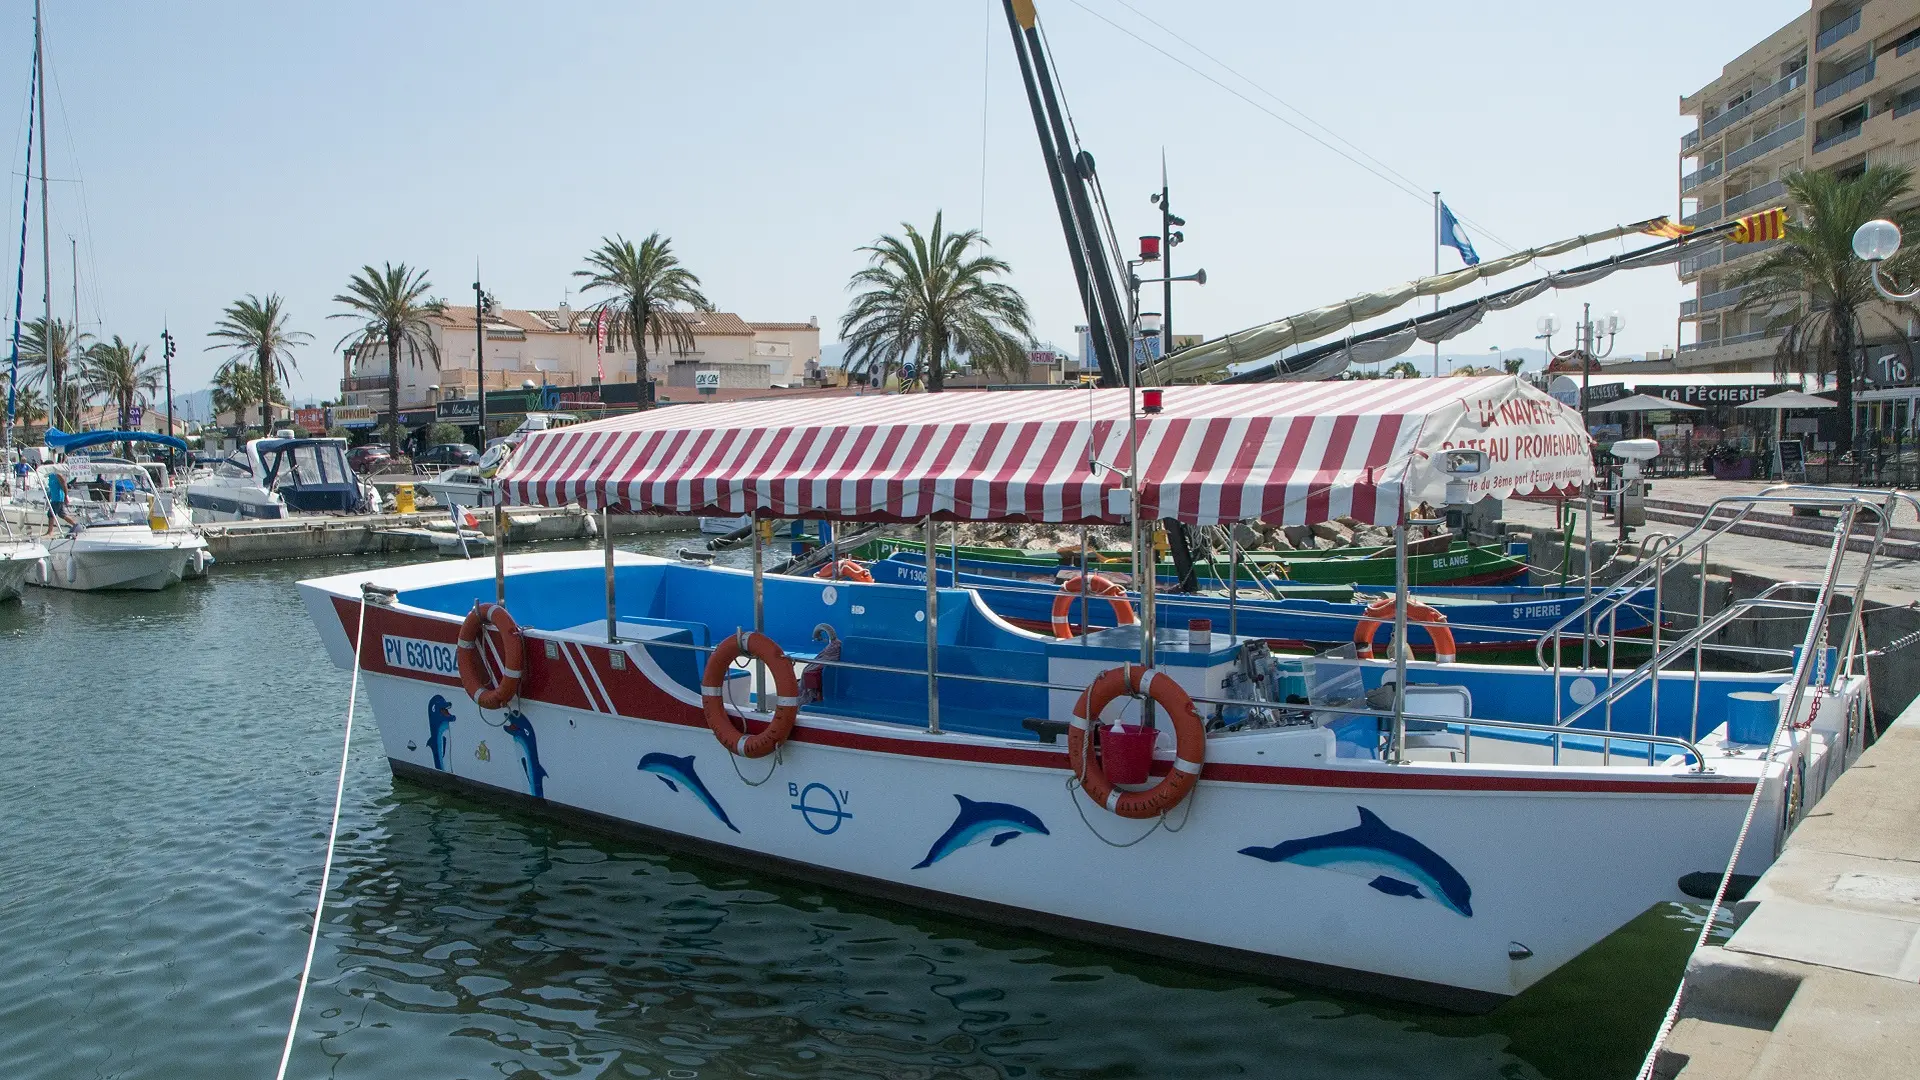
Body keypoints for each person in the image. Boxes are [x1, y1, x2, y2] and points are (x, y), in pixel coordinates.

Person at [44, 468, 74, 534]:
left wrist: (66, 496)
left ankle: (50, 532)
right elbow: (51, 488)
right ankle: (75, 525)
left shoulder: (58, 475)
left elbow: (64, 485)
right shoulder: (50, 476)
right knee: (62, 514)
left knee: (51, 514)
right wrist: (49, 497)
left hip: (58, 498)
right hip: (54, 498)